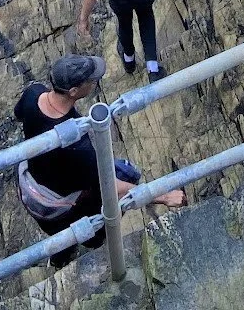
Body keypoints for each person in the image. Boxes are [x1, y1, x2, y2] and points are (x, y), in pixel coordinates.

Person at [14, 54, 184, 265]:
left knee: (62, 238)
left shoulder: (33, 94)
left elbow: (19, 114)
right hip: (63, 207)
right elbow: (110, 185)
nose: (95, 82)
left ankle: (59, 260)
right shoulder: (78, 147)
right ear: (73, 91)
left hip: (32, 186)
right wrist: (164, 196)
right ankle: (94, 246)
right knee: (123, 176)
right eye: (91, 80)